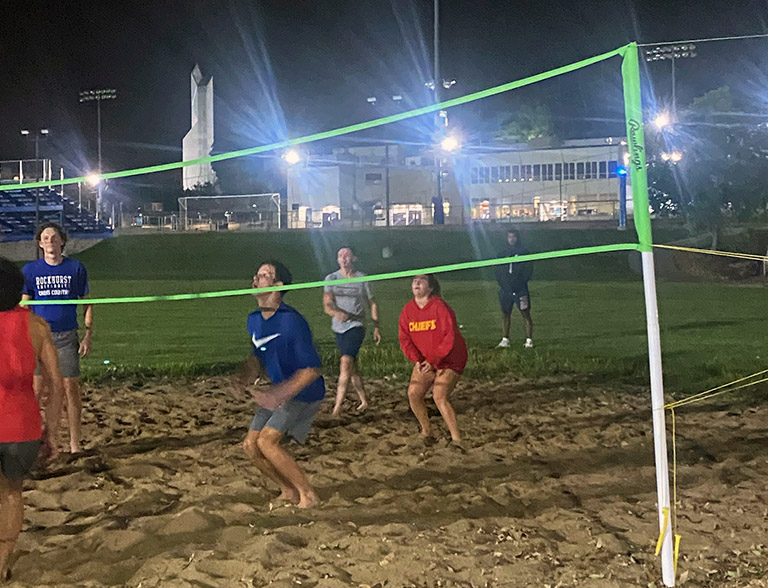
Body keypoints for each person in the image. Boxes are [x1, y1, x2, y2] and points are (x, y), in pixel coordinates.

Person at [238, 261, 325, 509]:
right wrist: (245, 374)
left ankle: (308, 495)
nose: (256, 278)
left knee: (267, 442)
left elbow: (311, 370)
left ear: (278, 286)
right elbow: (260, 354)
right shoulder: (253, 319)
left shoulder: (291, 321)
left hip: (304, 392)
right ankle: (288, 490)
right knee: (250, 446)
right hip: (278, 390)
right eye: (256, 274)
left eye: (264, 275)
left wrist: (279, 394)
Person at [0, 256, 64, 582]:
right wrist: (52, 433)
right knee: (12, 492)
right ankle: (2, 560)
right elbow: (56, 384)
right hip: (21, 426)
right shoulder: (37, 326)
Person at [22, 222, 92, 453]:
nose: (50, 242)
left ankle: (75, 444)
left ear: (62, 241)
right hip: (40, 339)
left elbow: (87, 302)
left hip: (66, 336)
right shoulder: (30, 271)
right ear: (40, 243)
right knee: (36, 390)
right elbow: (25, 306)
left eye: (54, 238)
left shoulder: (76, 268)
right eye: (45, 238)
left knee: (70, 387)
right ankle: (30, 442)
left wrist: (88, 334)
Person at [398, 274, 467, 446]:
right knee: (413, 393)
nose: (416, 283)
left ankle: (457, 439)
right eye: (414, 280)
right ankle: (426, 431)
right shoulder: (408, 310)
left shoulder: (439, 307)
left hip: (449, 359)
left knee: (439, 396)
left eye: (422, 281)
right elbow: (405, 339)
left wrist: (433, 359)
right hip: (425, 360)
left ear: (430, 288)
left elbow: (449, 337)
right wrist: (417, 360)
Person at [323, 247, 381, 417]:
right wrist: (336, 313)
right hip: (339, 327)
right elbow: (327, 304)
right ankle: (364, 400)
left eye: (347, 255)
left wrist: (376, 326)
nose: (343, 258)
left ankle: (337, 407)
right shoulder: (331, 278)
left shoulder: (362, 278)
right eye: (340, 255)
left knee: (345, 362)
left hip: (356, 326)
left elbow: (373, 303)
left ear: (353, 258)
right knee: (352, 367)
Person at [494, 229, 534, 349]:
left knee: (525, 313)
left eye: (514, 237)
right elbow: (497, 270)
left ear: (518, 238)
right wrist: (503, 284)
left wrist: (520, 283)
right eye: (509, 237)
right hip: (506, 290)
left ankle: (529, 340)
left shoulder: (524, 252)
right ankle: (505, 339)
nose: (512, 239)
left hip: (520, 289)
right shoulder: (502, 252)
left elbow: (528, 270)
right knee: (505, 313)